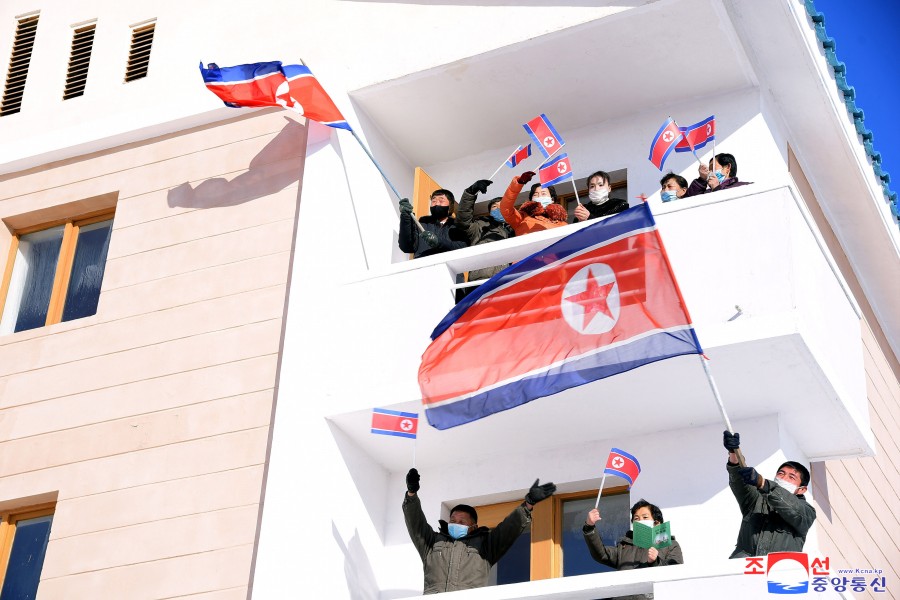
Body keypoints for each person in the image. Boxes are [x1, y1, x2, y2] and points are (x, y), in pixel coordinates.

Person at [403, 468, 556, 594]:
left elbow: (508, 528)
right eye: (453, 520)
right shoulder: (433, 542)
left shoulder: (485, 546)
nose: (456, 524)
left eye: (462, 522)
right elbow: (415, 523)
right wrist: (411, 493)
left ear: (474, 527)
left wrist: (528, 504)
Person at [723, 431, 816, 558]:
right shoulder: (757, 499)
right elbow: (740, 482)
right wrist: (734, 454)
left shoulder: (807, 512)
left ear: (801, 489)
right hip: (744, 566)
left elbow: (793, 508)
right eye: (781, 473)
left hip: (780, 568)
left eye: (791, 477)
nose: (783, 478)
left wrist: (763, 483)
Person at [582, 499, 684, 600]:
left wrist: (655, 562)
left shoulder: (670, 545)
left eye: (645, 517)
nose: (640, 521)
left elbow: (675, 573)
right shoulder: (624, 546)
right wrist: (589, 526)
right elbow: (602, 554)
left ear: (656, 523)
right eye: (636, 518)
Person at [455, 179, 514, 280]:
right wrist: (471, 192)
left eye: (502, 206)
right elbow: (463, 220)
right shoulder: (480, 226)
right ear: (490, 212)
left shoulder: (518, 227)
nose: (498, 209)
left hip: (512, 281)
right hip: (482, 281)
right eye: (494, 207)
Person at [398, 190, 468, 258]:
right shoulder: (423, 223)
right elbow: (407, 247)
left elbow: (463, 248)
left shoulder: (457, 225)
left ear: (450, 206)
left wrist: (438, 242)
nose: (437, 204)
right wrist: (406, 217)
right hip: (422, 264)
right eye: (433, 201)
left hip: (446, 265)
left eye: (441, 201)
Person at [499, 171, 568, 235]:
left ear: (552, 199)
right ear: (531, 199)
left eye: (543, 194)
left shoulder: (563, 224)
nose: (539, 196)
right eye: (536, 195)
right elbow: (505, 208)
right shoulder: (522, 218)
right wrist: (519, 183)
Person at [684, 153, 752, 197]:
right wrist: (701, 180)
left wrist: (717, 188)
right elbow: (689, 200)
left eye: (713, 168)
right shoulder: (707, 192)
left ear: (727, 167)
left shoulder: (743, 187)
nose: (710, 172)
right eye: (709, 170)